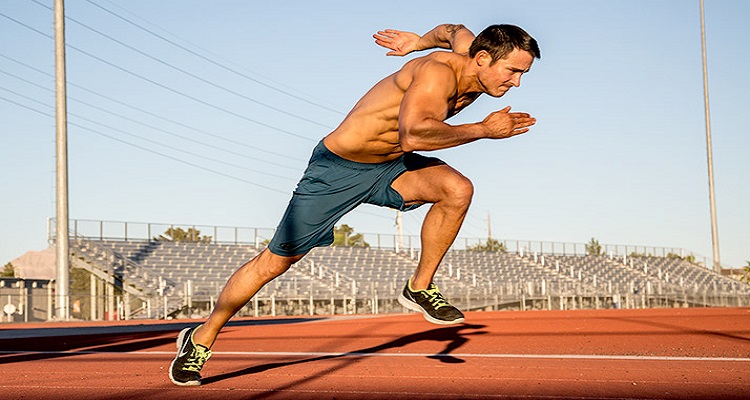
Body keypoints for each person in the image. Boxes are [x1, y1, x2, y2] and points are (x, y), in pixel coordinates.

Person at [169, 23, 540, 386]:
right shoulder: (437, 74)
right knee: (274, 262)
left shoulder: (468, 48)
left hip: (391, 166)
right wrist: (482, 130)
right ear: (482, 58)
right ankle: (201, 338)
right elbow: (413, 134)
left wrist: (417, 41)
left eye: (523, 73)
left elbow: (451, 29)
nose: (516, 82)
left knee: (456, 189)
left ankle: (420, 286)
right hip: (338, 169)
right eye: (512, 71)